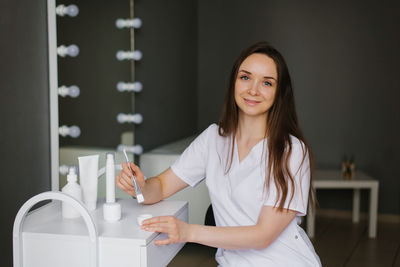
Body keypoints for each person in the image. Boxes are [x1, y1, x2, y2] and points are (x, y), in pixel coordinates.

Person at [116, 42, 322, 267]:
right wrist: (140, 187)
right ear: (234, 82)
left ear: (279, 93)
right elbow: (162, 186)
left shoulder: (291, 151)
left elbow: (263, 236)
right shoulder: (213, 139)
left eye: (266, 82)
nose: (253, 89)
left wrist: (188, 232)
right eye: (245, 77)